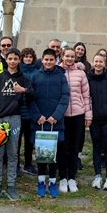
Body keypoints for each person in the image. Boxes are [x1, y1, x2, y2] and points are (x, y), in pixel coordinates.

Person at [0, 48, 33, 201]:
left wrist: (23, 90)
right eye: (10, 58)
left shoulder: (24, 78)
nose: (12, 61)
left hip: (15, 119)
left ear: (19, 60)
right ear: (6, 60)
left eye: (15, 59)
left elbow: (33, 93)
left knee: (13, 153)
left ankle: (11, 185)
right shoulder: (0, 77)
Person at [29, 48, 70, 199]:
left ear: (55, 60)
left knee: (53, 155)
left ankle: (52, 182)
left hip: (55, 123)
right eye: (46, 59)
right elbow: (30, 98)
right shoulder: (35, 76)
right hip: (39, 123)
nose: (48, 62)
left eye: (51, 60)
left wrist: (56, 116)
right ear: (42, 60)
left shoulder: (61, 77)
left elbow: (65, 97)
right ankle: (41, 182)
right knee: (41, 154)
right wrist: (37, 115)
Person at [58, 47, 92, 193]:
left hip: (78, 114)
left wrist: (88, 114)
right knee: (62, 147)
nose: (70, 58)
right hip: (61, 115)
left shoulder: (81, 73)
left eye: (72, 56)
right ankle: (62, 177)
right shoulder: (57, 71)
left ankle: (72, 177)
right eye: (67, 56)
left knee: (74, 147)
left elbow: (86, 95)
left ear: (75, 58)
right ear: (62, 56)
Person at [88, 54, 107, 190]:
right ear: (93, 63)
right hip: (94, 119)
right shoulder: (88, 78)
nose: (98, 64)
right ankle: (97, 175)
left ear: (104, 63)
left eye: (101, 62)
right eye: (96, 62)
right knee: (96, 147)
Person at [18, 48, 38, 175]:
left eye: (30, 57)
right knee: (17, 140)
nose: (28, 59)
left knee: (30, 140)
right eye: (25, 57)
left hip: (31, 111)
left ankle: (28, 163)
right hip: (19, 110)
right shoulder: (18, 72)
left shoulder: (37, 72)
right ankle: (15, 164)